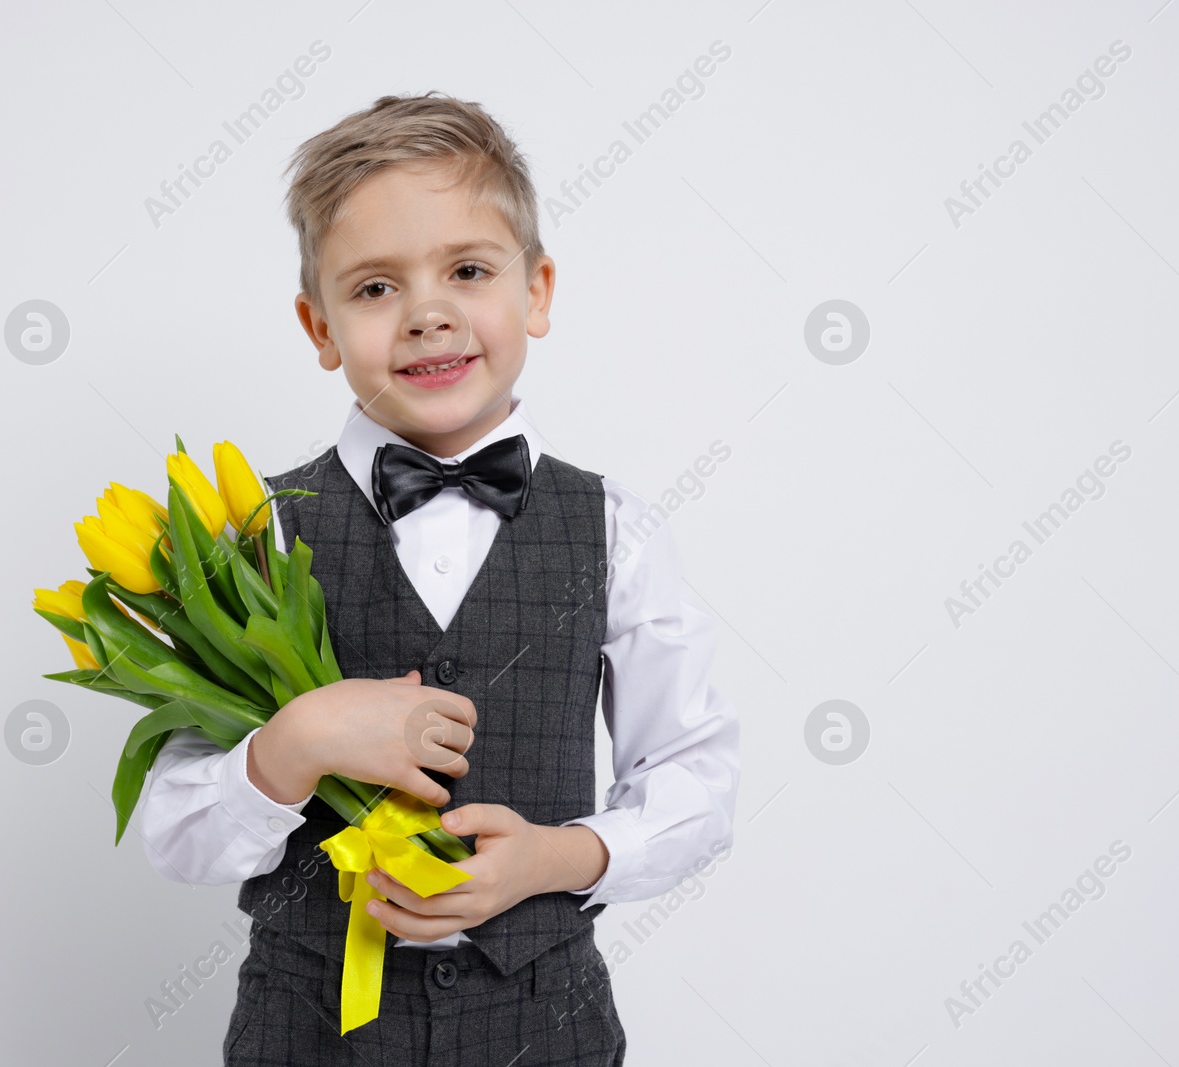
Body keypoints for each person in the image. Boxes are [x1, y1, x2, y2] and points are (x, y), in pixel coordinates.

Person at [133, 90, 740, 1066]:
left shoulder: (614, 527)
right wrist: (293, 743)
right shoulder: (252, 536)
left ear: (536, 291)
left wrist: (560, 854)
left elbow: (696, 775)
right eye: (374, 288)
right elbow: (177, 833)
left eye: (467, 269)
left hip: (546, 1026)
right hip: (309, 1032)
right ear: (317, 324)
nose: (426, 313)